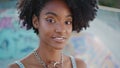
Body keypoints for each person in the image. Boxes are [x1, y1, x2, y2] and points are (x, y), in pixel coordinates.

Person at [9, 0, 98, 68]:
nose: (61, 30)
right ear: (36, 21)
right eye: (51, 20)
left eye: (67, 22)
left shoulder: (79, 65)